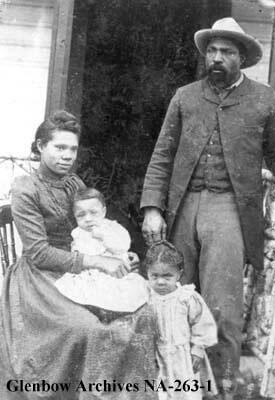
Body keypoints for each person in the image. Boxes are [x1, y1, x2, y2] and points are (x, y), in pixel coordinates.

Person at [140, 17, 275, 400]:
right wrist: (153, 207)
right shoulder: (185, 97)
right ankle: (171, 384)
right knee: (171, 298)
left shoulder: (264, 99)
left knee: (223, 307)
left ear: (242, 58)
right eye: (212, 51)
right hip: (183, 206)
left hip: (229, 209)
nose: (217, 58)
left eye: (226, 52)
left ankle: (222, 388)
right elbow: (161, 156)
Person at [0, 110, 157, 400]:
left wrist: (119, 253)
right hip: (40, 277)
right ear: (39, 147)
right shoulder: (25, 188)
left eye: (73, 149)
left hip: (82, 268)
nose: (67, 155)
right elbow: (38, 253)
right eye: (59, 147)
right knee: (85, 327)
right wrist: (99, 262)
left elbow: (93, 227)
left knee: (141, 314)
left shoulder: (74, 184)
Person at [145, 241, 218, 400]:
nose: (160, 282)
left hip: (181, 355)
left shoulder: (186, 297)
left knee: (184, 390)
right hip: (155, 354)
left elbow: (202, 323)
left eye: (167, 276)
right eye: (154, 276)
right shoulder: (146, 297)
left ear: (179, 274)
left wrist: (198, 348)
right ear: (147, 274)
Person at [55, 187, 148, 312]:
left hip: (115, 272)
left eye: (93, 213)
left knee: (124, 292)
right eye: (81, 215)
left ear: (103, 212)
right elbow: (77, 254)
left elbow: (123, 245)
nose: (88, 219)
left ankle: (115, 310)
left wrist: (103, 236)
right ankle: (98, 310)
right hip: (91, 274)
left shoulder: (111, 227)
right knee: (84, 293)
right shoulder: (78, 233)